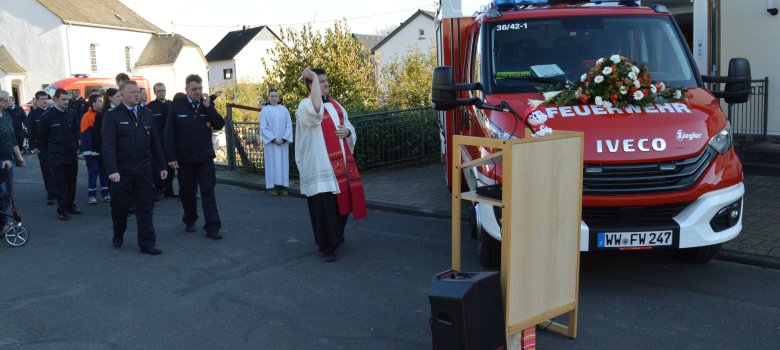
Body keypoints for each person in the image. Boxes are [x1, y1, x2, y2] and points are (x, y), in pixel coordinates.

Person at [295, 68, 367, 262]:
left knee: (340, 206)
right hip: (319, 167)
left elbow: (348, 125)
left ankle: (336, 236)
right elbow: (317, 111)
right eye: (321, 81)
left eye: (327, 80)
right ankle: (326, 246)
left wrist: (348, 132)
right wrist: (310, 77)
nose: (326, 84)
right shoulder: (305, 106)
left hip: (339, 166)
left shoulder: (336, 105)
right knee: (324, 209)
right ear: (311, 85)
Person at [102, 80, 167, 255]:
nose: (136, 95)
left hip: (144, 169)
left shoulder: (147, 114)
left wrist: (162, 165)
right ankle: (118, 232)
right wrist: (112, 170)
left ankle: (147, 243)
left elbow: (156, 144)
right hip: (121, 172)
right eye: (131, 92)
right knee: (120, 207)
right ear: (121, 96)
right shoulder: (112, 116)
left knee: (146, 206)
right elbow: (108, 146)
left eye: (138, 92)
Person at [165, 74, 225, 240]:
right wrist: (171, 157)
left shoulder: (206, 105)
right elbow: (169, 133)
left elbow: (219, 124)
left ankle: (212, 226)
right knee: (187, 192)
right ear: (186, 90)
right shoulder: (177, 107)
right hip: (185, 159)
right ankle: (190, 219)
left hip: (204, 157)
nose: (198, 92)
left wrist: (209, 107)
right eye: (194, 89)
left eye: (200, 88)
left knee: (208, 192)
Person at [38, 88, 80, 220]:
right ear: (55, 99)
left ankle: (70, 205)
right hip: (56, 155)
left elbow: (75, 131)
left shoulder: (71, 113)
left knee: (71, 181)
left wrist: (76, 146)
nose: (66, 102)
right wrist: (47, 155)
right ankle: (62, 209)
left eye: (67, 99)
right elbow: (42, 138)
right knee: (60, 183)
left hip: (71, 153)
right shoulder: (47, 117)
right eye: (63, 99)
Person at [0, 90, 27, 230]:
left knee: (7, 191)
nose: (7, 102)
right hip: (2, 158)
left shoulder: (5, 115)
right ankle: (2, 223)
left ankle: (3, 221)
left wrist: (19, 156)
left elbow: (11, 138)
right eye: (4, 100)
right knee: (2, 190)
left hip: (7, 156)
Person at [260, 89, 293, 196]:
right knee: (271, 164)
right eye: (272, 96)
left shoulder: (284, 110)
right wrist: (273, 139)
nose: (274, 98)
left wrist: (284, 138)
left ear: (278, 98)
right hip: (271, 144)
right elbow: (263, 127)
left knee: (282, 164)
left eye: (276, 96)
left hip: (282, 143)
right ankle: (271, 187)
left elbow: (288, 125)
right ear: (268, 97)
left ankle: (282, 187)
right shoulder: (265, 111)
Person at [147, 82, 177, 200]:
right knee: (158, 167)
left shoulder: (171, 105)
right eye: (159, 91)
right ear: (154, 92)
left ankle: (169, 190)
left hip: (170, 142)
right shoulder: (150, 107)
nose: (161, 93)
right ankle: (158, 190)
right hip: (157, 143)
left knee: (171, 167)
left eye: (163, 90)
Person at [27, 91, 56, 204]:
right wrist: (32, 146)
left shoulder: (52, 112)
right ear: (37, 100)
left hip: (54, 145)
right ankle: (51, 193)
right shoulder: (33, 114)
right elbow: (31, 131)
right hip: (42, 146)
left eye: (46, 98)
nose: (44, 101)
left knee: (56, 169)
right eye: (42, 99)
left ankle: (59, 192)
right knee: (47, 170)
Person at [80, 94, 110, 204]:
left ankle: (105, 193)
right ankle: (91, 195)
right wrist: (88, 152)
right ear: (93, 103)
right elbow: (85, 136)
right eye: (99, 101)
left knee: (104, 172)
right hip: (92, 151)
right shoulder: (86, 116)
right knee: (94, 171)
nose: (101, 103)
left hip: (102, 150)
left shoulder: (104, 114)